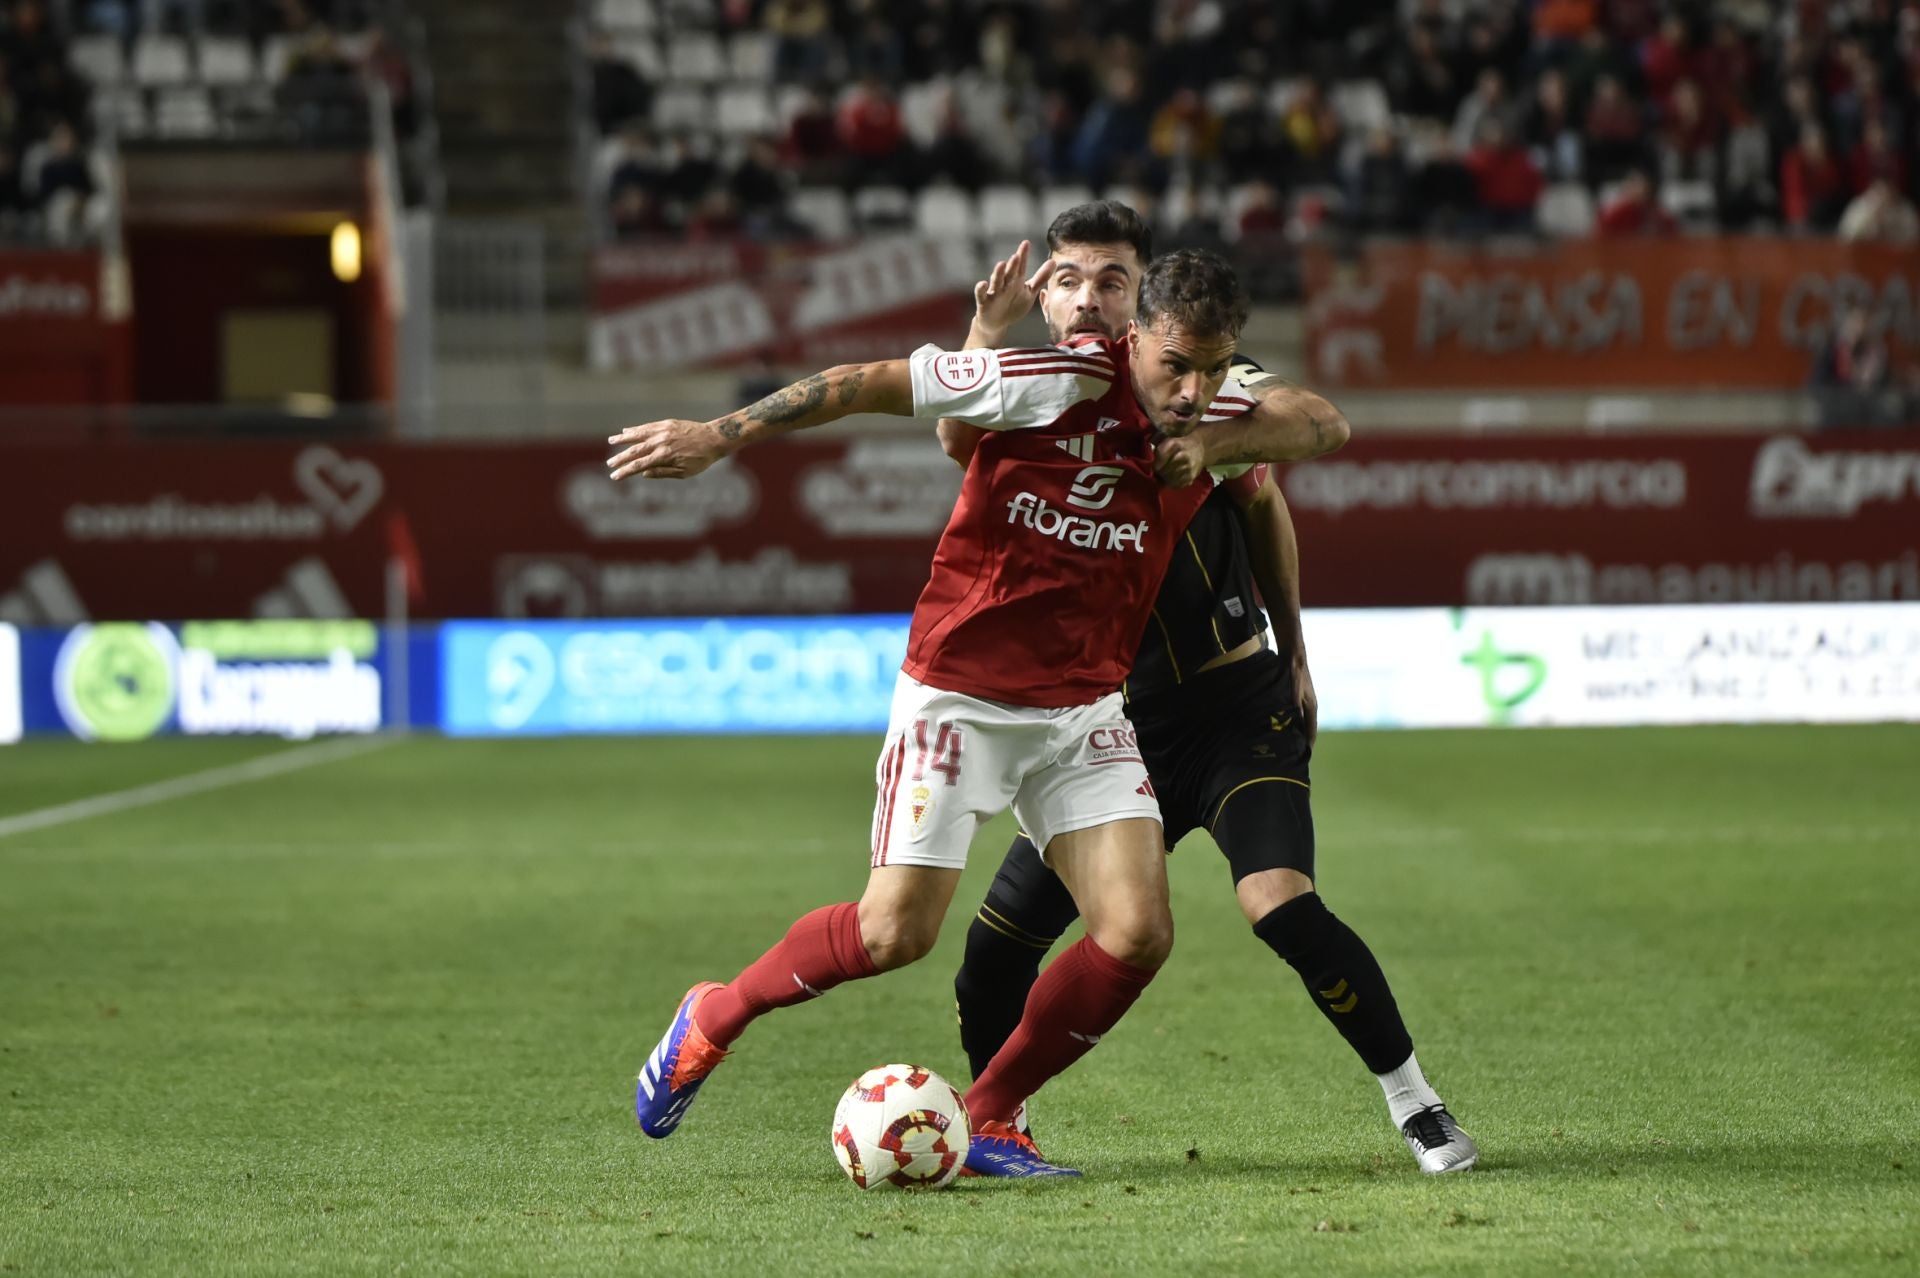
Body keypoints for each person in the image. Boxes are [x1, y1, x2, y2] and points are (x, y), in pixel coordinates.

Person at [609, 247, 1350, 1179]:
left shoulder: (1213, 411)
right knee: (895, 935)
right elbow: (865, 382)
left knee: (1137, 933)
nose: (1195, 389)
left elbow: (1324, 423)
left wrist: (1213, 444)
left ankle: (991, 1114)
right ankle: (715, 1013)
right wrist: (722, 434)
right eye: (1177, 366)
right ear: (1135, 340)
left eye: (1215, 365)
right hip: (961, 698)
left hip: (1082, 710)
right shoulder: (1053, 381)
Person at [939, 203, 1479, 1176]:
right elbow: (953, 441)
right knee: (990, 955)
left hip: (1234, 712)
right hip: (1105, 734)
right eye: (1074, 278)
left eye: (1114, 278)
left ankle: (1418, 1104)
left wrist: (1295, 645)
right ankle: (994, 1126)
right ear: (1049, 296)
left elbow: (1313, 431)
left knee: (1279, 902)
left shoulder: (1207, 384)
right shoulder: (1047, 399)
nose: (1094, 296)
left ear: (1147, 299)